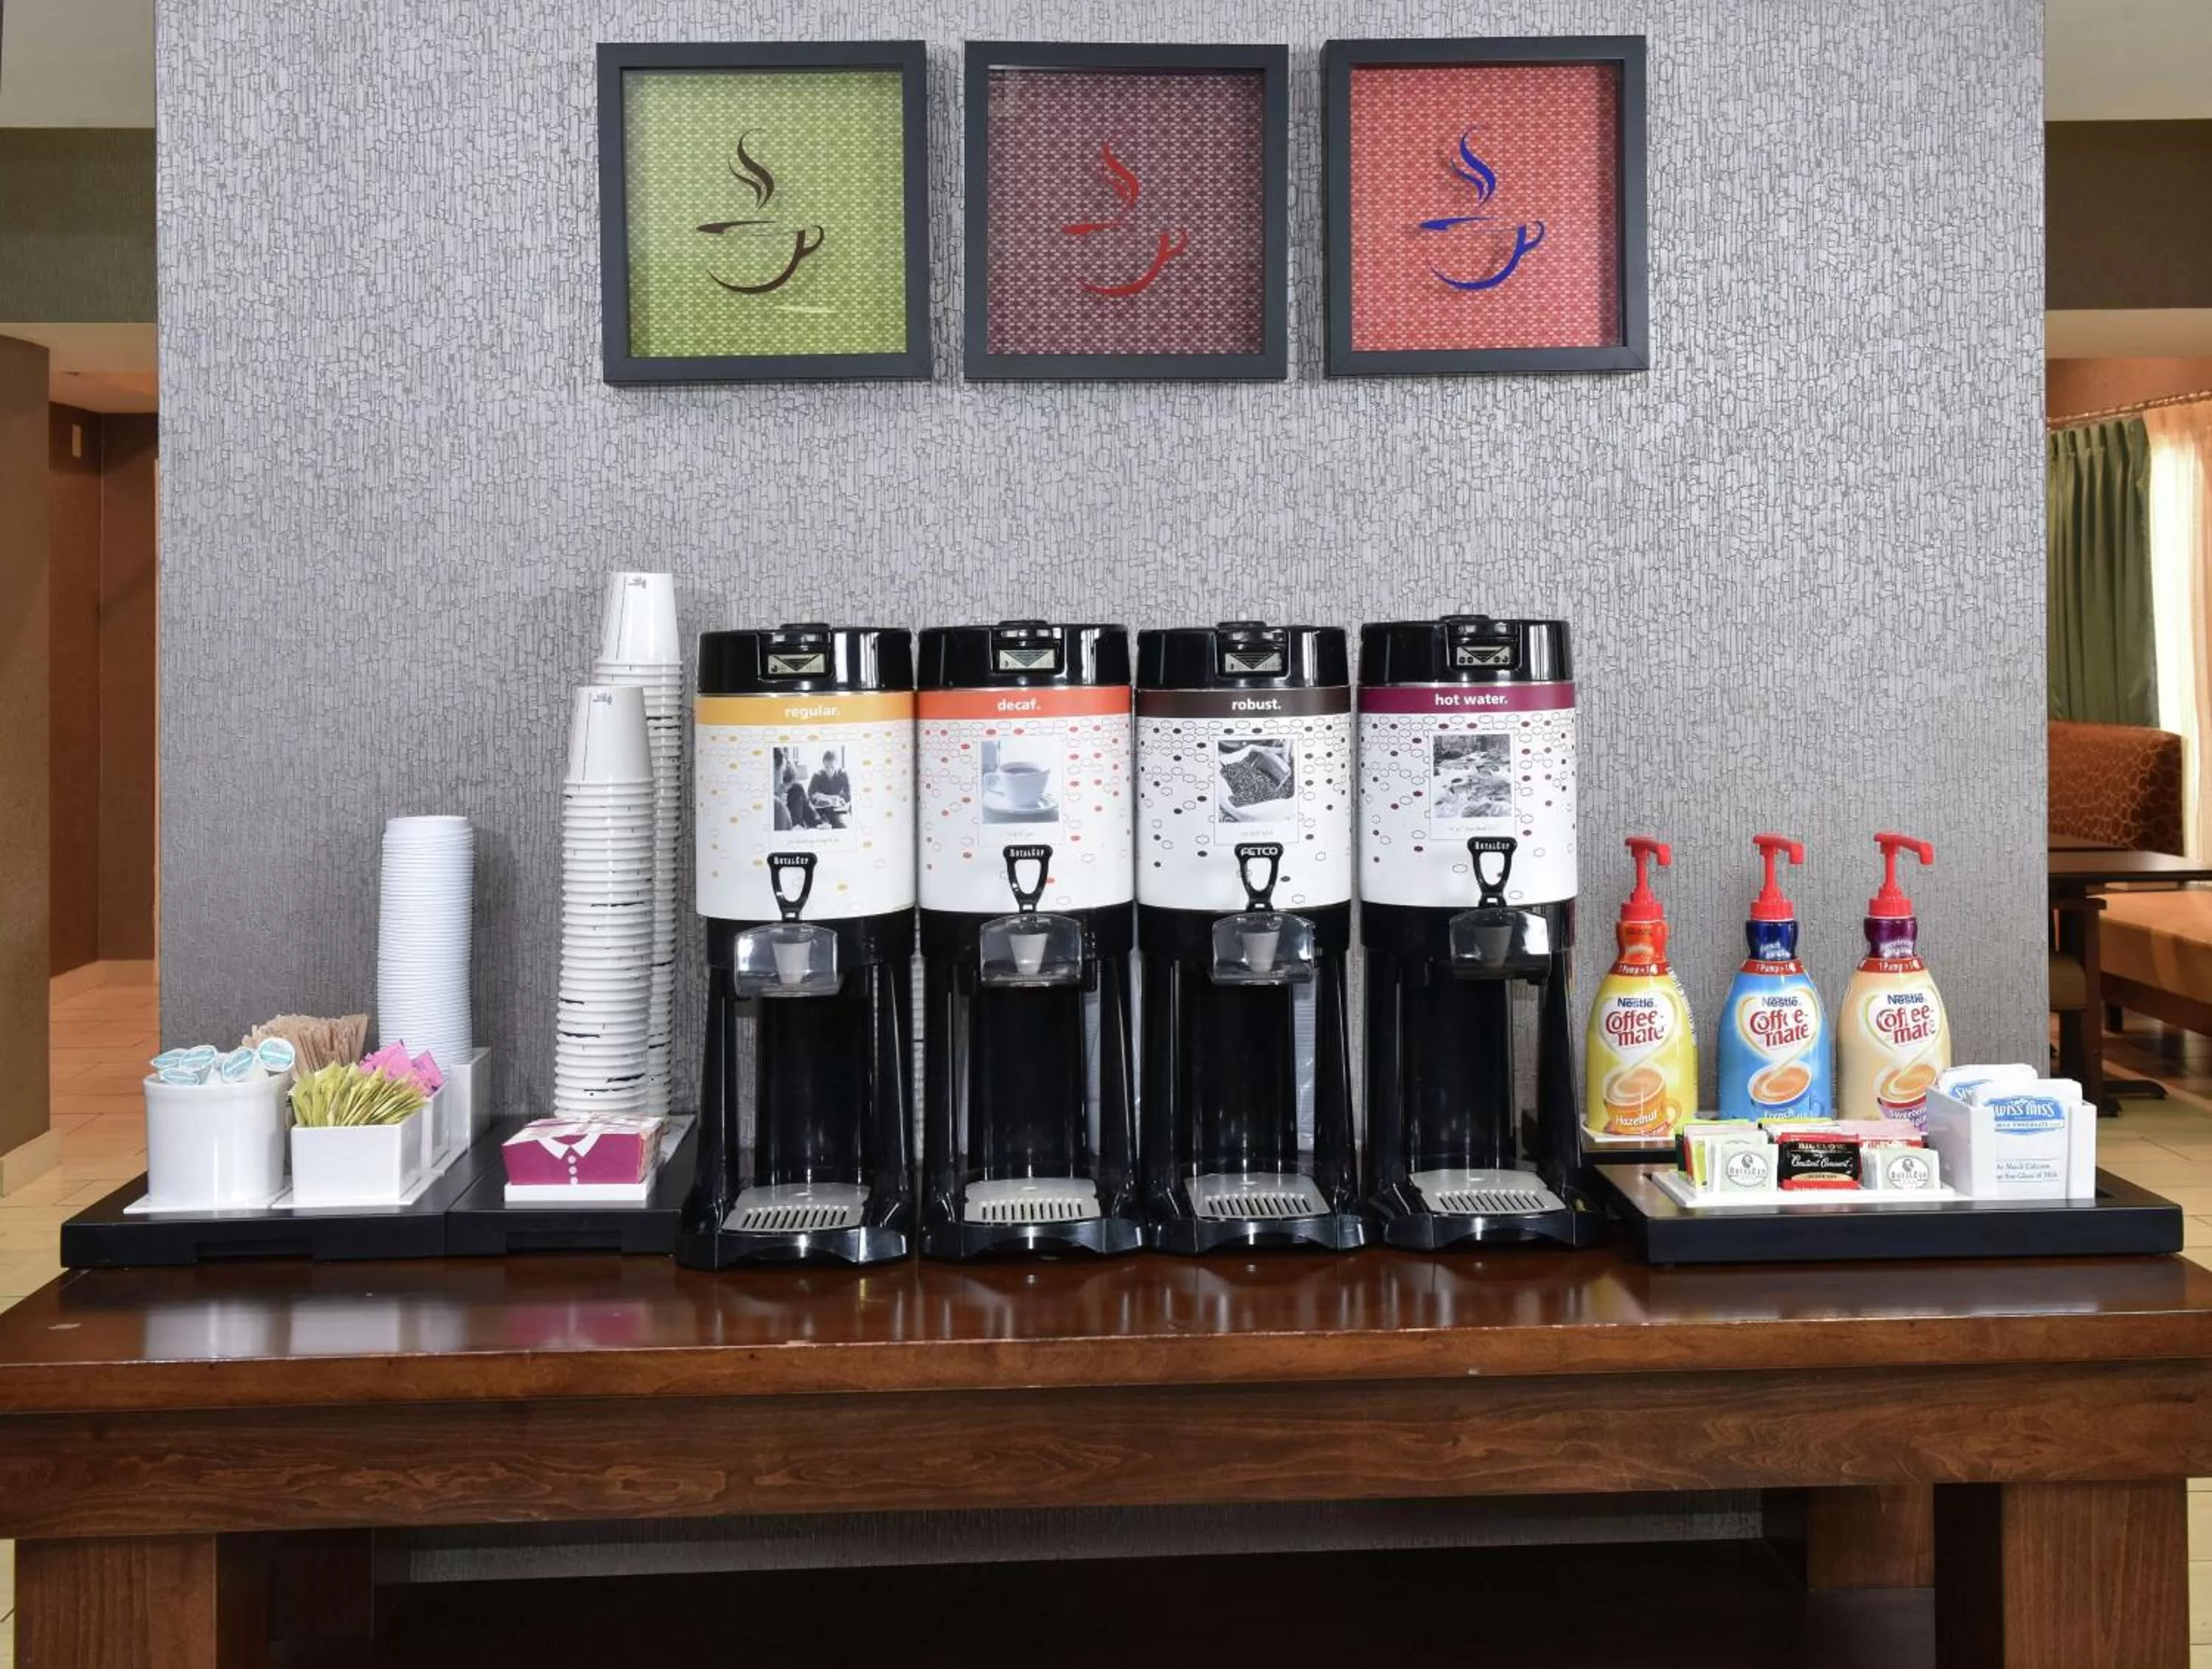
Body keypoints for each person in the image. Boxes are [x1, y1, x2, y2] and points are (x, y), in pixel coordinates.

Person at [807, 749, 852, 829]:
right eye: (826, 767)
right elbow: (810, 795)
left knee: (843, 827)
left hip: (838, 811)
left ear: (837, 765)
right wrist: (816, 798)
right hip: (821, 811)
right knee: (816, 828)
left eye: (832, 767)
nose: (829, 771)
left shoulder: (843, 774)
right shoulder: (817, 776)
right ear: (823, 765)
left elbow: (849, 795)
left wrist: (826, 797)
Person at [776, 753, 813, 830]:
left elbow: (808, 811)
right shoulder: (774, 799)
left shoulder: (797, 788)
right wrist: (782, 805)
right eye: (783, 786)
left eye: (790, 785)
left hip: (800, 830)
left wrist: (820, 822)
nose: (786, 789)